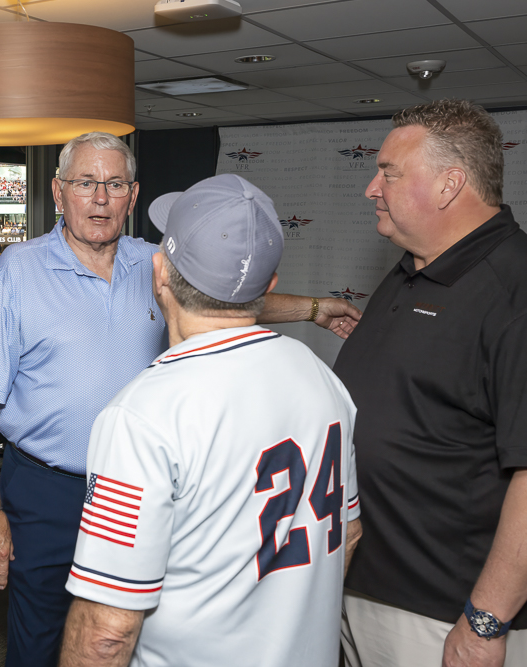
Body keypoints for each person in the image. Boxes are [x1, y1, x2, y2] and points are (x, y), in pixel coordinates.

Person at [0, 131, 364, 667]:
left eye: (115, 184)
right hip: (47, 493)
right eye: (85, 183)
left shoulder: (156, 260)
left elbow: (231, 300)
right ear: (58, 193)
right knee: (40, 633)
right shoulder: (17, 272)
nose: (100, 198)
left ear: (133, 193)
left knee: (134, 622)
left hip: (157, 488)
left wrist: (313, 309)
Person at [59, 173, 362, 666]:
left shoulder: (141, 415)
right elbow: (349, 533)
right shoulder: (323, 379)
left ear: (160, 272)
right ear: (268, 287)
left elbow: (107, 631)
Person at [334, 99, 527, 667]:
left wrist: (484, 623)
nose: (372, 188)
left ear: (450, 184)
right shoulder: (410, 271)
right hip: (362, 587)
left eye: (389, 172)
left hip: (446, 615)